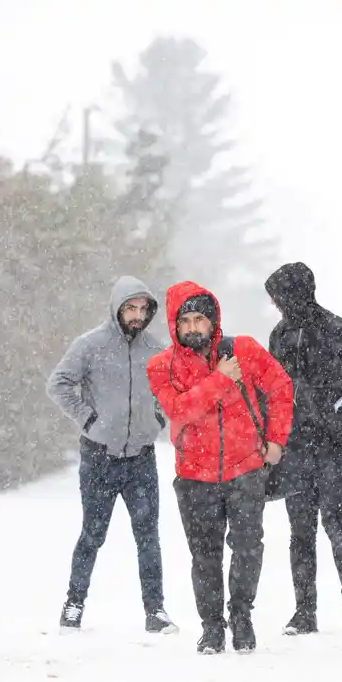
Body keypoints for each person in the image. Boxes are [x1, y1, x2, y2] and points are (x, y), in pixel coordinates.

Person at [146, 281, 294, 655]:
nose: (194, 327)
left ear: (214, 322)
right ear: (174, 325)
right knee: (205, 556)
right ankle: (212, 627)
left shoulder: (241, 349)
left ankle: (241, 616)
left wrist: (276, 440)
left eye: (201, 319)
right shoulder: (159, 367)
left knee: (247, 548)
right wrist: (220, 379)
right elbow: (180, 410)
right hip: (194, 476)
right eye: (187, 321)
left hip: (245, 469)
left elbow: (280, 386)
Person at [46, 275, 177, 635]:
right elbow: (58, 384)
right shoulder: (90, 345)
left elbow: (171, 390)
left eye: (142, 309)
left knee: (148, 535)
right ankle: (73, 605)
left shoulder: (156, 350)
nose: (136, 315)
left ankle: (156, 611)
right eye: (130, 308)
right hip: (99, 458)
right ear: (117, 308)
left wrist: (157, 420)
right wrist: (89, 420)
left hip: (141, 458)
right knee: (92, 534)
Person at [264, 262, 342, 635]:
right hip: (294, 445)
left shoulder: (336, 329)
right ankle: (305, 611)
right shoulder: (279, 334)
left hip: (334, 445)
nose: (277, 304)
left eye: (278, 296)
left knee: (336, 519)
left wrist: (337, 415)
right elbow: (271, 391)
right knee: (300, 530)